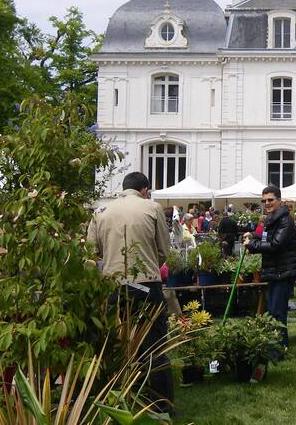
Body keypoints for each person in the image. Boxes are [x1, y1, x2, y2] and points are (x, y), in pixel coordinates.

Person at [86, 172, 174, 412]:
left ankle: (119, 396)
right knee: (154, 343)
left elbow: (91, 252)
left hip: (113, 284)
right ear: (144, 190)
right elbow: (164, 251)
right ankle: (160, 403)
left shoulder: (101, 212)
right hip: (146, 283)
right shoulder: (152, 208)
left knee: (115, 342)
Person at [244, 186, 296, 348]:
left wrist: (252, 244)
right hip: (274, 271)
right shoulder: (272, 219)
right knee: (274, 310)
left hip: (283, 271)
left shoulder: (285, 220)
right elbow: (267, 236)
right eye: (264, 200)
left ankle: (279, 349)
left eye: (270, 200)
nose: (267, 203)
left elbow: (275, 245)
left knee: (277, 312)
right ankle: (278, 346)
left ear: (279, 201)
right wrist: (254, 235)